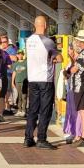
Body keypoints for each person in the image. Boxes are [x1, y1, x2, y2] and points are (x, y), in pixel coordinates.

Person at [24, 16, 60, 149]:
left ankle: (28, 138)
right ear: (45, 25)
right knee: (45, 110)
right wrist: (53, 58)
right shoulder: (48, 41)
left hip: (32, 79)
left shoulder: (28, 41)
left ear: (34, 25)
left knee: (33, 109)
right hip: (45, 79)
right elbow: (59, 57)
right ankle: (41, 139)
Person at [67, 29, 84, 146]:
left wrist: (66, 72)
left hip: (81, 86)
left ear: (81, 42)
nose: (77, 43)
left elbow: (75, 69)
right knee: (83, 111)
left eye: (78, 41)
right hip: (82, 86)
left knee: (83, 112)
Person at [11, 50, 28, 115]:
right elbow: (14, 73)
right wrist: (12, 82)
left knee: (24, 96)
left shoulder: (26, 63)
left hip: (25, 82)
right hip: (17, 81)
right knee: (19, 96)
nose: (20, 55)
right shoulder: (15, 64)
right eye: (18, 54)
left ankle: (24, 110)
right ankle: (19, 110)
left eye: (21, 54)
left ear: (23, 55)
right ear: (17, 55)